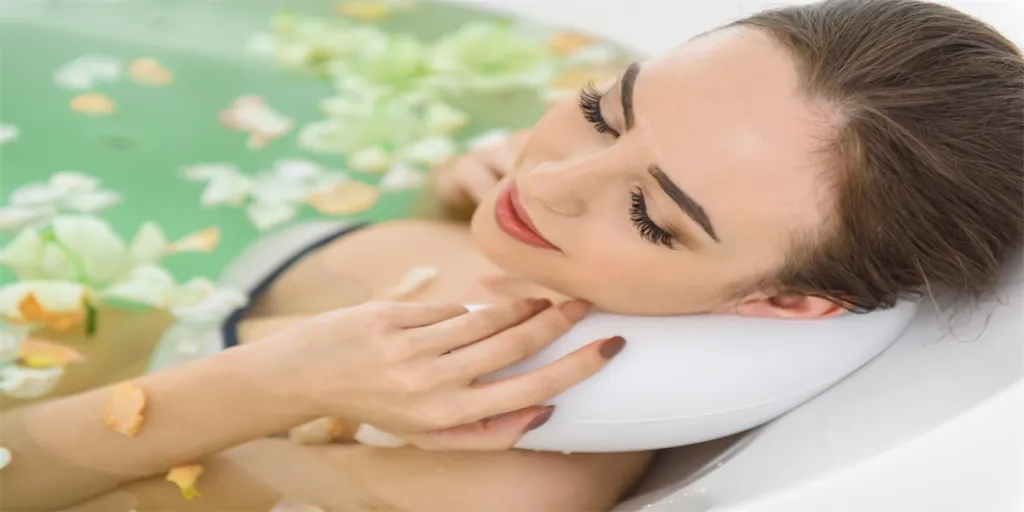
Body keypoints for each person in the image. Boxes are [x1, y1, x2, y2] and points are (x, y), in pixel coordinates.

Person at [3, 0, 1022, 510]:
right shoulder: (529, 214)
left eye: (650, 213)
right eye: (601, 110)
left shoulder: (508, 473)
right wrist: (454, 194)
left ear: (791, 301)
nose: (541, 180)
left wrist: (278, 376)